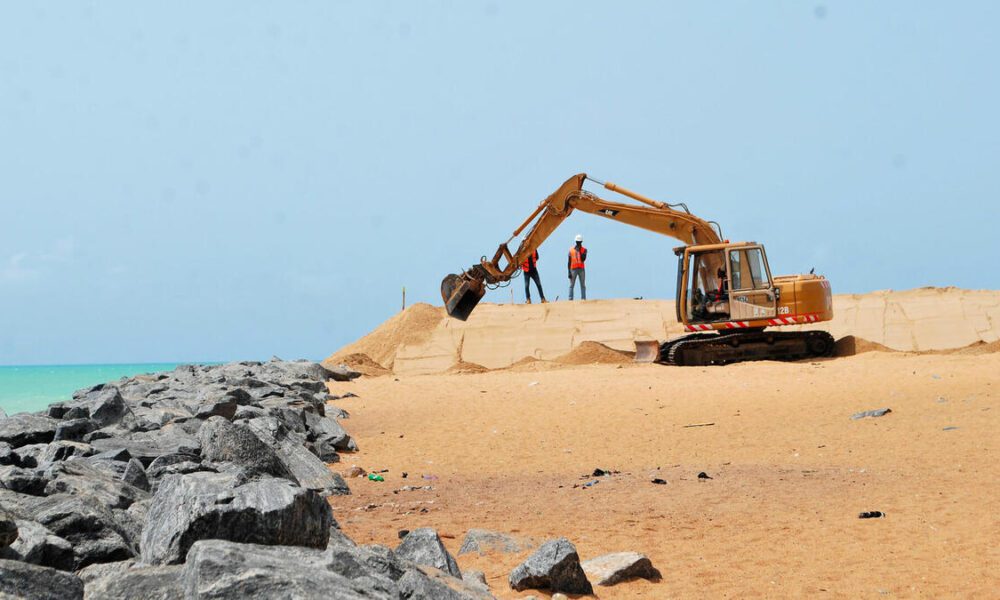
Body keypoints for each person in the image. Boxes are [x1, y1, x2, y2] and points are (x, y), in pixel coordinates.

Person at [567, 234, 587, 300]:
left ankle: (583, 299)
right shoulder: (571, 250)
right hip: (573, 269)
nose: (578, 243)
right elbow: (569, 262)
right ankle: (570, 299)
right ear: (576, 242)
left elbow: (583, 259)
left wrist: (579, 251)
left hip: (581, 269)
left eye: (579, 242)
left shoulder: (584, 250)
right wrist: (569, 272)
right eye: (577, 242)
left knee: (583, 285)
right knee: (571, 285)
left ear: (581, 242)